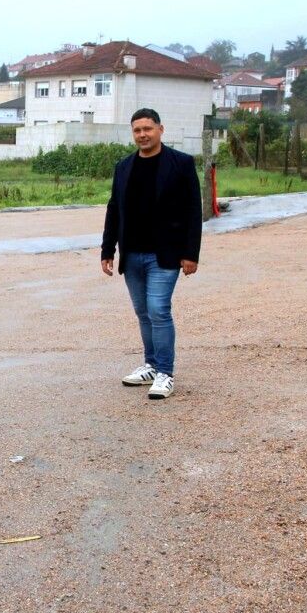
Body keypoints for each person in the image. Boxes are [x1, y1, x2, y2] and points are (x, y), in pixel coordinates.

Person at [100, 108, 201, 400]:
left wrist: (190, 253)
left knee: (158, 310)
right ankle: (151, 364)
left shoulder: (181, 164)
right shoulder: (124, 167)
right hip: (132, 254)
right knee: (143, 312)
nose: (142, 134)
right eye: (137, 130)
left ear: (160, 129)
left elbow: (193, 210)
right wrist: (108, 250)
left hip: (165, 255)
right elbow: (114, 209)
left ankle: (165, 373)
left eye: (148, 128)